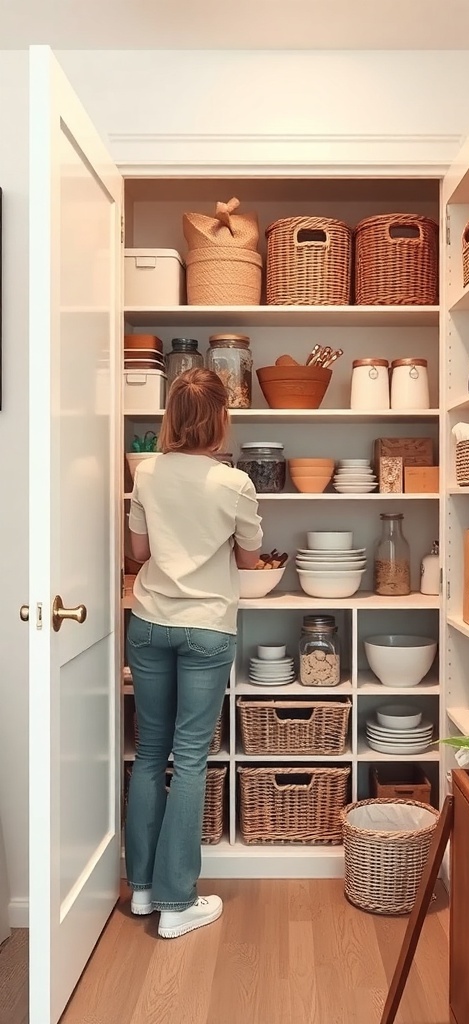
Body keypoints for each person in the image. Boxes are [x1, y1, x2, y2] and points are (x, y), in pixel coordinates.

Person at [125, 367, 262, 939]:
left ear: (173, 418)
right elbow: (252, 561)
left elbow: (138, 551)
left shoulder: (147, 471)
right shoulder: (233, 483)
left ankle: (140, 890)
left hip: (150, 621)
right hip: (208, 627)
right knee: (191, 757)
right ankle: (177, 902)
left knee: (149, 754)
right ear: (219, 420)